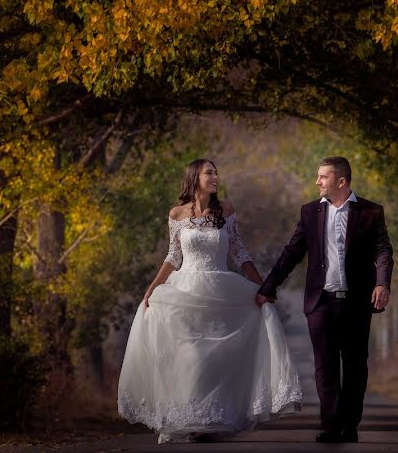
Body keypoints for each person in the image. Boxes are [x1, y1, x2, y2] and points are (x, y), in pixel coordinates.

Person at [118, 159, 302, 444]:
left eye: (216, 173)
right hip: (186, 292)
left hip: (221, 292)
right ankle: (191, 418)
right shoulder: (177, 214)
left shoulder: (226, 210)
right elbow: (173, 257)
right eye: (209, 173)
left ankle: (211, 420)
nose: (215, 177)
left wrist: (263, 286)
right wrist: (153, 287)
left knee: (213, 357)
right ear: (195, 177)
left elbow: (240, 253)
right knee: (190, 355)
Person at [256, 156, 394, 444]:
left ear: (341, 181)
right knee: (325, 366)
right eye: (318, 176)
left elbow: (383, 250)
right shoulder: (309, 213)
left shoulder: (370, 212)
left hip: (356, 302)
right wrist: (268, 287)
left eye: (323, 177)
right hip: (321, 302)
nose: (317, 182)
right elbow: (291, 252)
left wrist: (382, 283)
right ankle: (331, 425)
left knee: (356, 365)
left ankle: (349, 424)